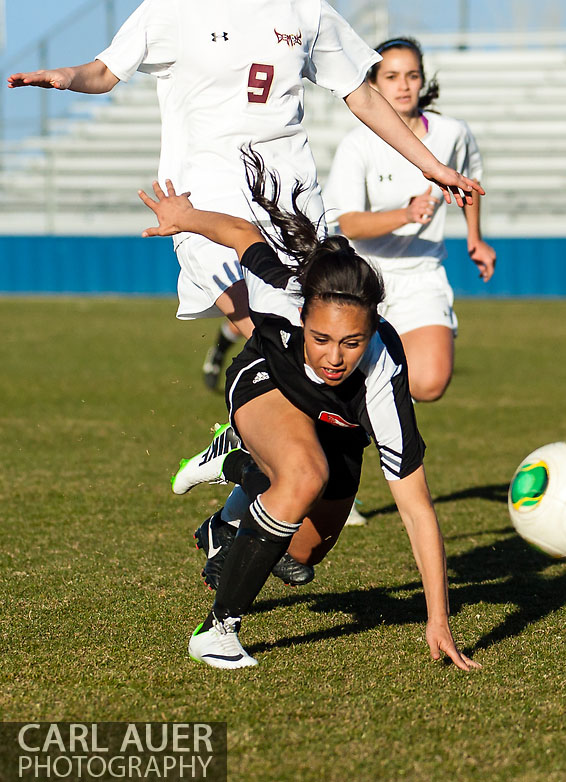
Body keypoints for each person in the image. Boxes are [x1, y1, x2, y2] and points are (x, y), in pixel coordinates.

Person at [8, 0, 482, 345]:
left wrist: (433, 166)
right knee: (269, 341)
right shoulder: (180, 3)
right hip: (205, 200)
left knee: (304, 349)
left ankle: (249, 420)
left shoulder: (307, 12)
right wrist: (67, 78)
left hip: (290, 203)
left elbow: (362, 96)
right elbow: (106, 72)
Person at [138, 149, 481, 673]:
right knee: (302, 474)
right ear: (302, 315)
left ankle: (236, 478)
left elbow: (416, 509)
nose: (335, 356)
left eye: (352, 342)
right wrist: (185, 218)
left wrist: (438, 619)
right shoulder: (280, 290)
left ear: (373, 330)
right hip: (266, 385)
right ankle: (218, 630)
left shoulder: (385, 370)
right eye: (321, 339)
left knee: (299, 556)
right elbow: (240, 233)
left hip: (335, 429)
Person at [324, 37, 496, 403]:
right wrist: (406, 214)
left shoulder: (452, 134)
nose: (403, 85)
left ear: (422, 81)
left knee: (429, 384)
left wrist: (475, 238)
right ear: (372, 84)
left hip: (421, 274)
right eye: (391, 76)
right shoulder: (358, 144)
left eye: (412, 75)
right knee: (330, 386)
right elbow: (350, 225)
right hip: (362, 280)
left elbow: (468, 181)